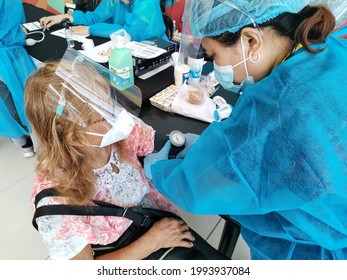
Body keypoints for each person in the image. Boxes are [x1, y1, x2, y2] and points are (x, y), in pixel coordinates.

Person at [144, 0, 347, 259]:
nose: (216, 68)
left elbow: (201, 188)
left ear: (250, 41)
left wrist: (163, 171)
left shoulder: (274, 104)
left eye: (212, 55)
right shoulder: (333, 51)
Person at [24, 51, 229, 260]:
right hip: (127, 249)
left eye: (108, 103)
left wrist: (193, 148)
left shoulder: (116, 135)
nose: (117, 115)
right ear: (74, 137)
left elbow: (158, 143)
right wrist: (152, 242)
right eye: (103, 114)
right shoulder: (56, 201)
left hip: (154, 219)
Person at [0, 0, 36, 157]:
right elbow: (17, 20)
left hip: (7, 52)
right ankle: (31, 140)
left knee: (6, 102)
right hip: (11, 55)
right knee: (25, 98)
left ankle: (23, 142)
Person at [39, 0, 168, 41]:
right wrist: (67, 17)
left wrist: (91, 29)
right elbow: (95, 17)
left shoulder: (148, 3)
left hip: (154, 50)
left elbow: (130, 33)